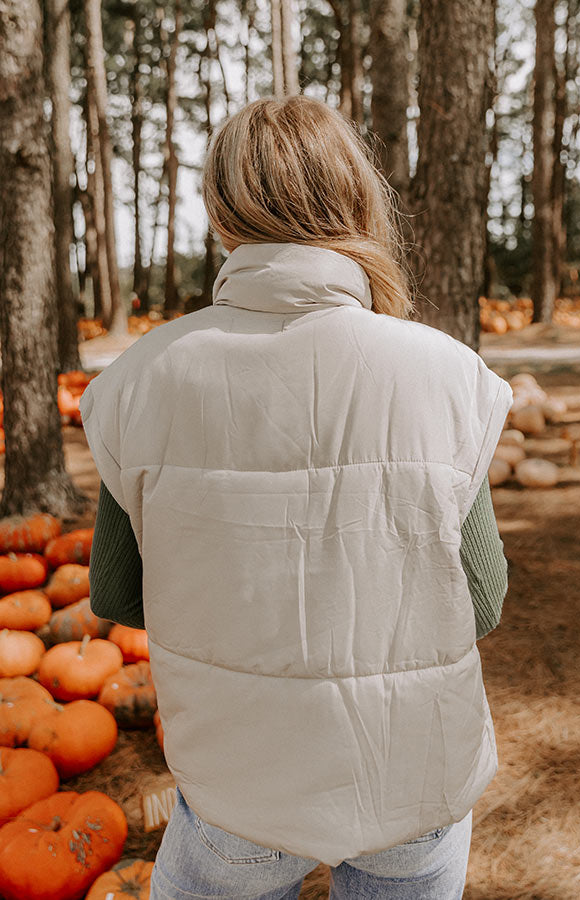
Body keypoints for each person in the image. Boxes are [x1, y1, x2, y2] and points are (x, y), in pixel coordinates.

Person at [81, 94, 513, 900]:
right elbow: (481, 598)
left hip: (237, 784)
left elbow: (115, 592)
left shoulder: (139, 379)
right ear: (355, 196)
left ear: (221, 212)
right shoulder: (447, 374)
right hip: (413, 776)